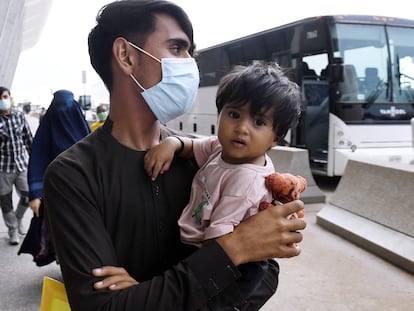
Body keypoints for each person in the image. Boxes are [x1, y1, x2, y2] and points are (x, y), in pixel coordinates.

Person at [43, 1, 306, 310]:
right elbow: (101, 307)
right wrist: (232, 249)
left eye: (190, 52)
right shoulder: (73, 175)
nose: (190, 65)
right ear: (126, 56)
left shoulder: (206, 158)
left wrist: (141, 297)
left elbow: (264, 274)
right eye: (178, 49)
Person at [143, 61, 302, 308]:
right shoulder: (224, 148)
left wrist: (188, 273)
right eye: (234, 114)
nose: (241, 128)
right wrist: (172, 144)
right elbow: (196, 146)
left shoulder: (246, 183)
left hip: (236, 266)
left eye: (258, 122)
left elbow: (219, 249)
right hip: (214, 242)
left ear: (276, 137)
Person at [18, 90, 91, 265]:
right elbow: (38, 160)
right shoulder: (46, 132)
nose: (63, 111)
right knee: (63, 235)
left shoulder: (86, 132)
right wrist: (35, 194)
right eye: (59, 106)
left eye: (66, 106)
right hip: (56, 196)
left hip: (85, 195)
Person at [0, 86, 33, 245]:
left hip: (21, 165)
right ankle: (12, 230)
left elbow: (28, 138)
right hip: (3, 168)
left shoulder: (19, 116)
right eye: (0, 98)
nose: (2, 101)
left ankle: (18, 219)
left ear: (10, 97)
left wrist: (35, 160)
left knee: (28, 195)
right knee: (6, 202)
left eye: (5, 97)